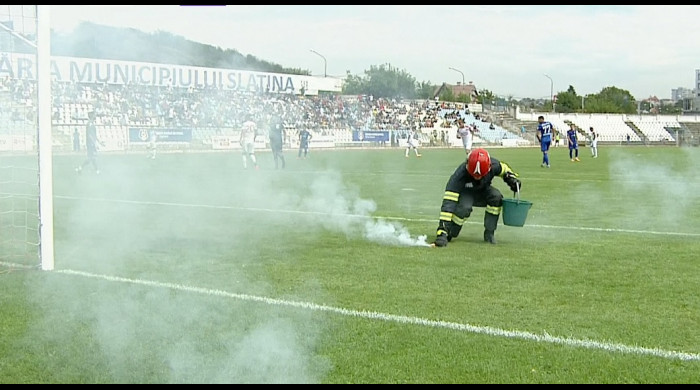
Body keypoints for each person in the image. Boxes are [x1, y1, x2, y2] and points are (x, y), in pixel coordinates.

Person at [432, 148, 521, 247]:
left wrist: (512, 180)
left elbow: (505, 170)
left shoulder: (494, 165)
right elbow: (448, 205)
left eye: (480, 175)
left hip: (483, 190)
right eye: (474, 175)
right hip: (466, 194)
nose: (477, 177)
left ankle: (489, 233)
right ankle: (450, 232)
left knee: (496, 197)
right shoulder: (458, 176)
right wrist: (442, 232)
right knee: (465, 208)